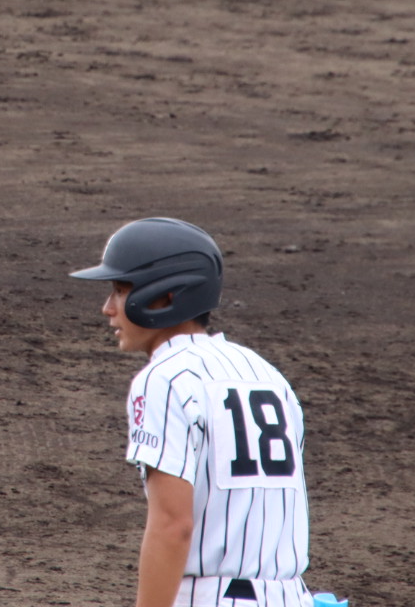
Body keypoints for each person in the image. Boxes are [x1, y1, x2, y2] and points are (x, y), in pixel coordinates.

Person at [71, 218, 314, 607]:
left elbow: (173, 525)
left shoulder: (163, 378)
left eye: (120, 291)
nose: (107, 309)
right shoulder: (266, 373)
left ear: (166, 296)